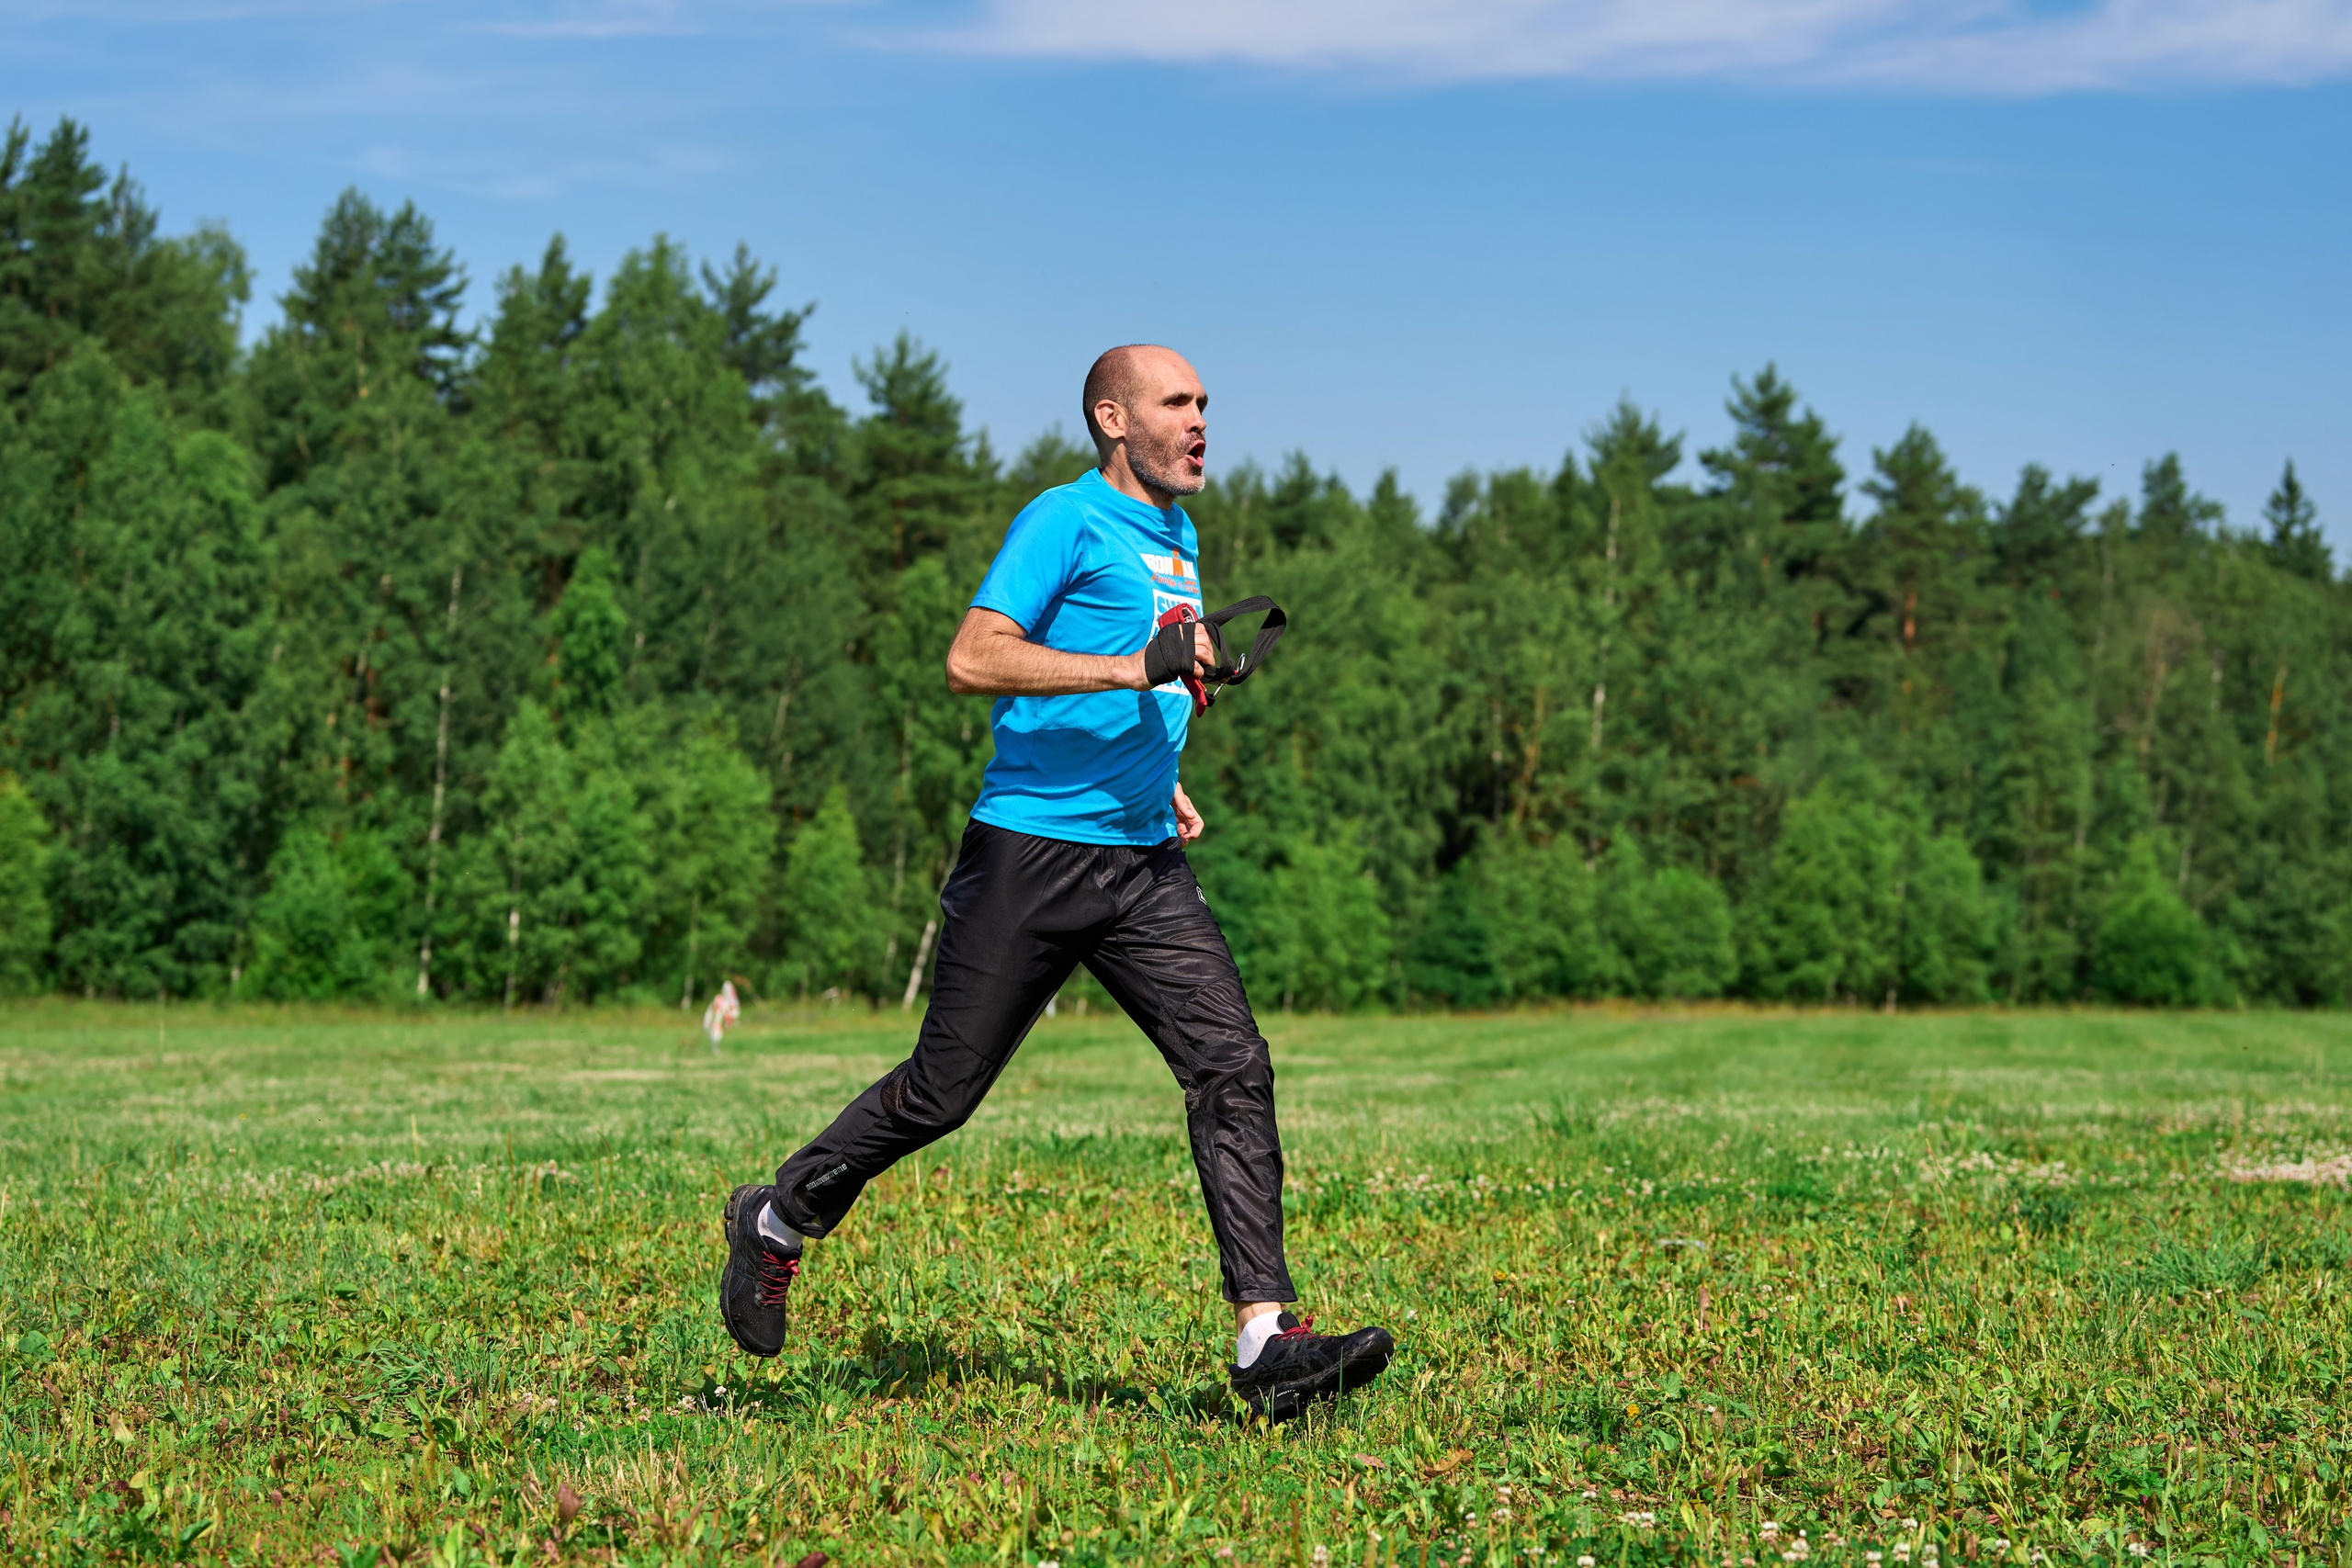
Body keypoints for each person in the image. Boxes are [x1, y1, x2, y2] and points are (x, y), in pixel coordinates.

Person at [717, 344, 1395, 1420]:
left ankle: (1265, 1338)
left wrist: (1161, 768)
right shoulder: (1063, 519)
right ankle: (778, 1215)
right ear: (1113, 418)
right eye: (1178, 403)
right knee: (942, 1094)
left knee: (1231, 1063)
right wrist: (1138, 668)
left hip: (1141, 864)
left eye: (1206, 404)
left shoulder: (1178, 537)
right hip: (1026, 857)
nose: (1201, 420)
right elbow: (975, 658)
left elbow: (1151, 676)